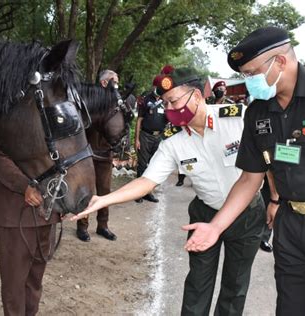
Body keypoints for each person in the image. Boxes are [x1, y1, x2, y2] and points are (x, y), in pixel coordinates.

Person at [182, 26, 305, 315]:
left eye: (252, 73)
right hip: (290, 228)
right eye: (245, 75)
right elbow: (250, 177)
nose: (249, 82)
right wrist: (215, 227)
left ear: (280, 61)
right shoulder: (258, 112)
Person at [71, 67, 269, 315]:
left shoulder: (237, 118)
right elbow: (147, 181)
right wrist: (103, 199)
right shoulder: (173, 141)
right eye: (166, 103)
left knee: (235, 286)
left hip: (247, 216)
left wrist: (276, 199)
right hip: (205, 213)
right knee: (198, 284)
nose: (170, 109)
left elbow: (265, 158)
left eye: (174, 101)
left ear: (196, 95)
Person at [0, 142, 60, 316]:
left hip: (48, 214)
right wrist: (24, 185)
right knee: (14, 285)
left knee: (35, 281)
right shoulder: (12, 116)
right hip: (15, 214)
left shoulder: (59, 116)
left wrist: (66, 202)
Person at [76, 69, 119, 242]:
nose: (117, 84)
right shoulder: (89, 98)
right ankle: (82, 226)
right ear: (104, 82)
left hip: (105, 154)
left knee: (105, 191)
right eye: (114, 81)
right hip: (87, 153)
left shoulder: (115, 101)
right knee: (86, 192)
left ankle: (103, 225)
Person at [134, 74, 168, 203]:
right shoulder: (146, 100)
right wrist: (136, 139)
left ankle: (148, 192)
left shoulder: (165, 101)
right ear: (154, 86)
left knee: (154, 165)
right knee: (142, 165)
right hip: (145, 136)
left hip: (158, 137)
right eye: (157, 86)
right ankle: (137, 194)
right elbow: (139, 120)